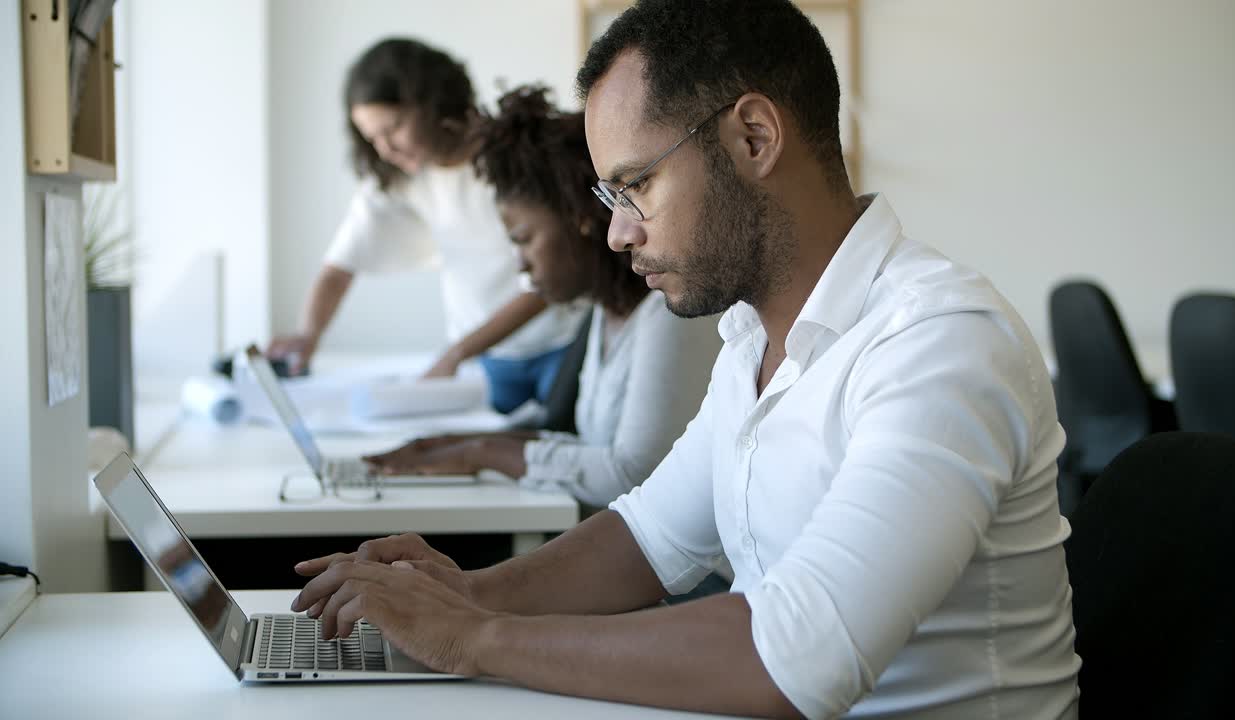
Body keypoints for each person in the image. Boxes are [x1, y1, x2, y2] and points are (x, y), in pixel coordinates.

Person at [289, 2, 1081, 718]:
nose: (617, 234)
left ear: (754, 138)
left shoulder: (939, 342)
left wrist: (475, 636)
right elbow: (645, 539)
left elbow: (794, 658)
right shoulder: (749, 343)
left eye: (636, 185)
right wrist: (463, 593)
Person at [361, 85, 723, 510]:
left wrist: (480, 453)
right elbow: (585, 444)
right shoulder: (607, 315)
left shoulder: (669, 314)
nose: (521, 265)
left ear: (579, 221)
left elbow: (633, 475)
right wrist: (455, 443)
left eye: (525, 239)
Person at [267, 39, 583, 413]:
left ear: (434, 103)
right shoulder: (400, 178)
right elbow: (339, 267)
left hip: (560, 344)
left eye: (394, 127)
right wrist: (308, 335)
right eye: (372, 137)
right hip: (487, 361)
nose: (385, 148)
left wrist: (456, 354)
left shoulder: (512, 157)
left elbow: (552, 282)